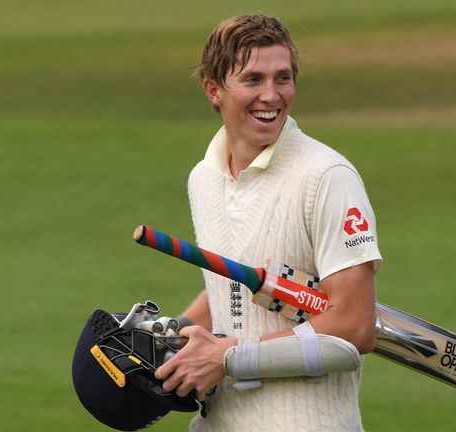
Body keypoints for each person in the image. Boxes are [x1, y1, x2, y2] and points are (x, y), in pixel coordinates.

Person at [154, 14, 382, 431]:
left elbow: (354, 326)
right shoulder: (203, 178)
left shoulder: (327, 178)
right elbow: (230, 289)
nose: (271, 96)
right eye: (253, 80)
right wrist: (173, 338)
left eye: (282, 78)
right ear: (213, 90)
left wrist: (228, 358)